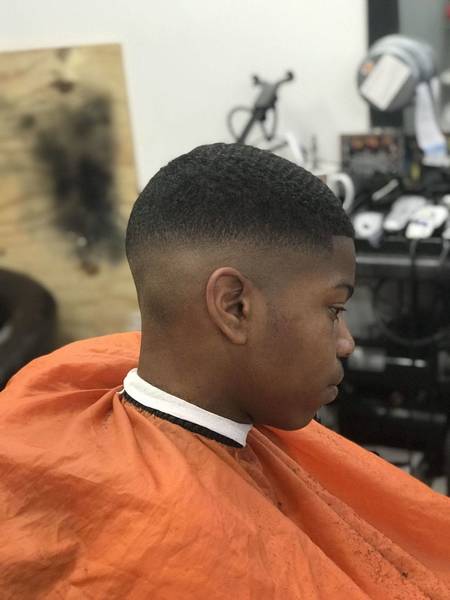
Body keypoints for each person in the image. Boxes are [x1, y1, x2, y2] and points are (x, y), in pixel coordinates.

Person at [0, 143, 449, 599]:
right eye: (334, 310)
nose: (346, 342)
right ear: (235, 306)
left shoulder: (117, 371)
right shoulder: (183, 554)